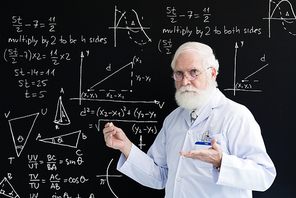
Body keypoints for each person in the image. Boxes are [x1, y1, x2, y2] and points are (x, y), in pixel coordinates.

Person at [102, 42, 276, 198]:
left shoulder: (236, 116)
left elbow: (264, 176)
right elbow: (159, 177)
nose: (185, 81)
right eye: (179, 73)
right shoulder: (173, 120)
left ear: (212, 73)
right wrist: (125, 147)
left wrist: (221, 162)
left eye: (193, 72)